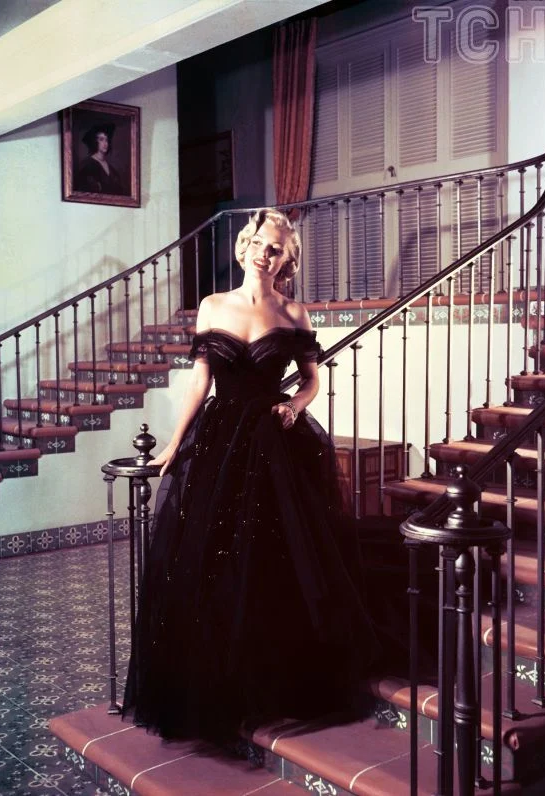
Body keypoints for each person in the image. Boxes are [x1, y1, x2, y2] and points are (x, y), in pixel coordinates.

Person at [122, 208, 382, 746]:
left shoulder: (294, 312)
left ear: (287, 260)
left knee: (271, 560)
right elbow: (200, 382)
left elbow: (310, 382)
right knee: (212, 560)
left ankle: (274, 685)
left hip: (272, 441)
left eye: (277, 248)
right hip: (220, 442)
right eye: (261, 243)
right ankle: (217, 687)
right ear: (245, 246)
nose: (267, 253)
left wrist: (294, 406)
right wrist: (174, 442)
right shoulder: (213, 306)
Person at [74, 124, 126, 195]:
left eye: (106, 140)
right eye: (101, 139)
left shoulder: (112, 170)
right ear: (94, 141)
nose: (105, 143)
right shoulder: (87, 165)